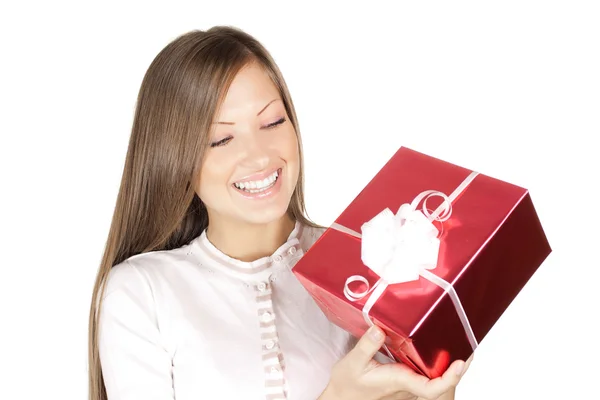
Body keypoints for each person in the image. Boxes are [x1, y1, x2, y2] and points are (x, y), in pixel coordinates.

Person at [87, 26, 472, 400]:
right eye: (221, 139)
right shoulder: (141, 293)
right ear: (175, 160)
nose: (258, 155)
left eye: (272, 122)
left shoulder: (368, 259)